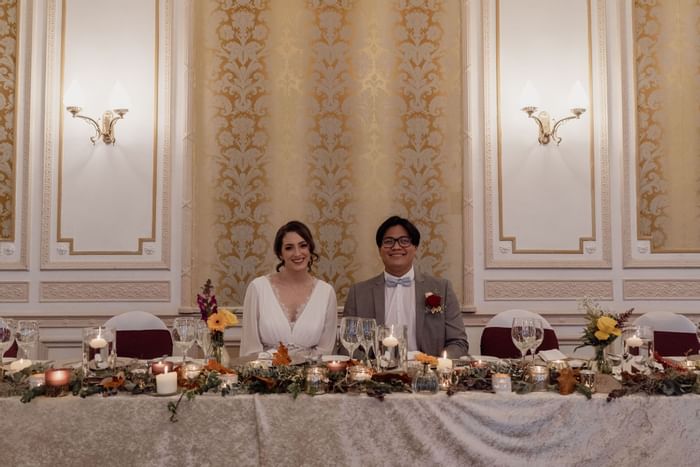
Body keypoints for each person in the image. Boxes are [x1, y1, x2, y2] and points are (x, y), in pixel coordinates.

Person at [343, 215, 469, 358]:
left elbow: (458, 343)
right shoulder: (358, 293)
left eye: (404, 241)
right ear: (379, 250)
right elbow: (347, 344)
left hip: (428, 373)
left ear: (415, 248)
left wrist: (436, 364)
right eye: (389, 242)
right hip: (376, 375)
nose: (396, 247)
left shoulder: (442, 288)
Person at [240, 221, 338, 357]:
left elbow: (325, 350)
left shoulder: (326, 293)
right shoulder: (258, 288)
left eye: (303, 245)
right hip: (264, 375)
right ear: (280, 254)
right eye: (289, 248)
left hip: (312, 375)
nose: (297, 253)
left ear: (310, 249)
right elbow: (251, 348)